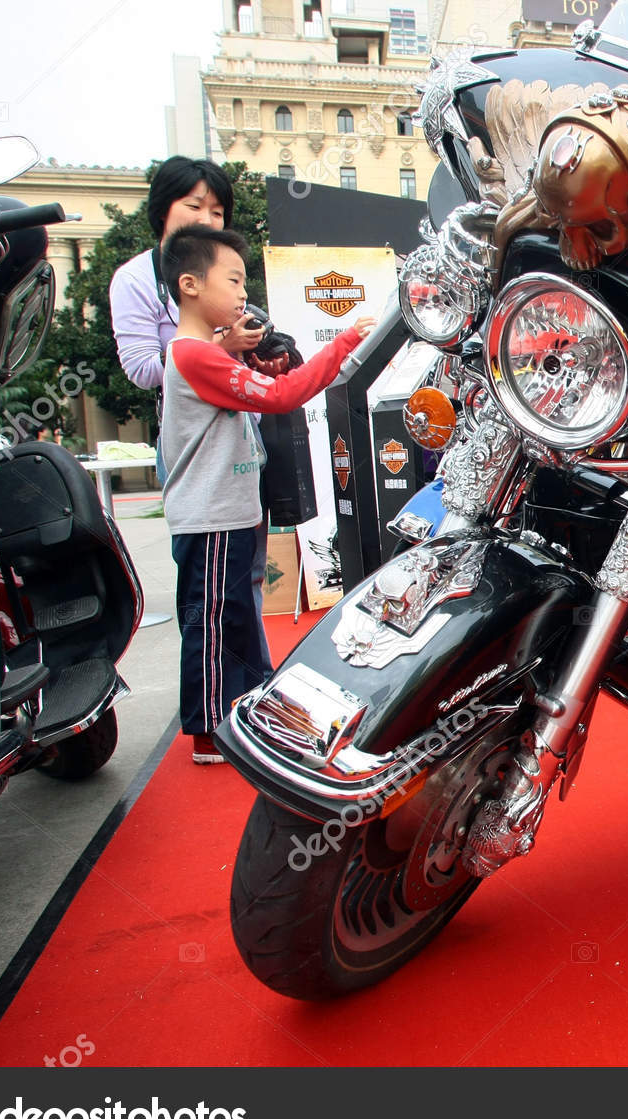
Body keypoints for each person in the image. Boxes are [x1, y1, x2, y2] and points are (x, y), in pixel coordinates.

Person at [159, 224, 375, 763]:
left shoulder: (208, 352)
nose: (241, 294)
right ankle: (211, 729)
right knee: (213, 620)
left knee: (238, 614)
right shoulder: (192, 354)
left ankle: (250, 707)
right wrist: (347, 339)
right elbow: (283, 395)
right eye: (232, 280)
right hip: (209, 516)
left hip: (232, 511)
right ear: (190, 284)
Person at [109, 156, 281, 674]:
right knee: (206, 586)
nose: (208, 219)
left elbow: (250, 362)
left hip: (241, 437)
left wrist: (256, 357)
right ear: (163, 210)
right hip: (191, 445)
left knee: (249, 571)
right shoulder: (135, 279)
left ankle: (250, 684)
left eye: (217, 209)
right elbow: (140, 367)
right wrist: (211, 347)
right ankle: (211, 702)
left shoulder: (223, 271)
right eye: (194, 206)